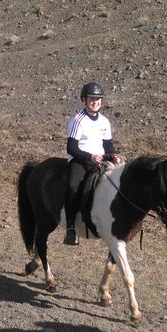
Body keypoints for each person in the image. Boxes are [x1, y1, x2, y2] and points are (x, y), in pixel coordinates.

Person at [63, 82, 123, 245]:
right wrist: (89, 157)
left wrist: (113, 156)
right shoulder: (77, 120)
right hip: (80, 160)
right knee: (73, 187)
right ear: (84, 99)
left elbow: (108, 145)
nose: (95, 101)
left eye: (98, 99)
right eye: (91, 98)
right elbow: (71, 148)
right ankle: (70, 228)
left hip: (99, 160)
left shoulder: (104, 121)